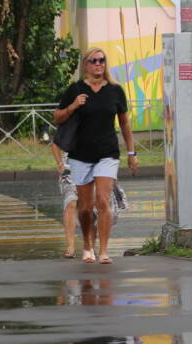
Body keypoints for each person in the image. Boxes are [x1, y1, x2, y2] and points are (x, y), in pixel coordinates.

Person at [53, 47, 138, 264]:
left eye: (102, 60)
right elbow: (57, 118)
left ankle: (104, 251)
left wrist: (131, 152)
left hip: (107, 153)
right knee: (84, 207)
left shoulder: (115, 91)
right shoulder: (75, 89)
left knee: (103, 200)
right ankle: (88, 246)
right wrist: (73, 105)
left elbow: (125, 123)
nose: (98, 64)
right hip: (80, 154)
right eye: (94, 60)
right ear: (86, 65)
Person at [51, 142, 79, 258]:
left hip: (91, 165)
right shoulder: (69, 123)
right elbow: (55, 144)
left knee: (89, 206)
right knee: (71, 202)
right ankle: (70, 246)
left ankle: (90, 246)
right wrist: (60, 164)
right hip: (69, 168)